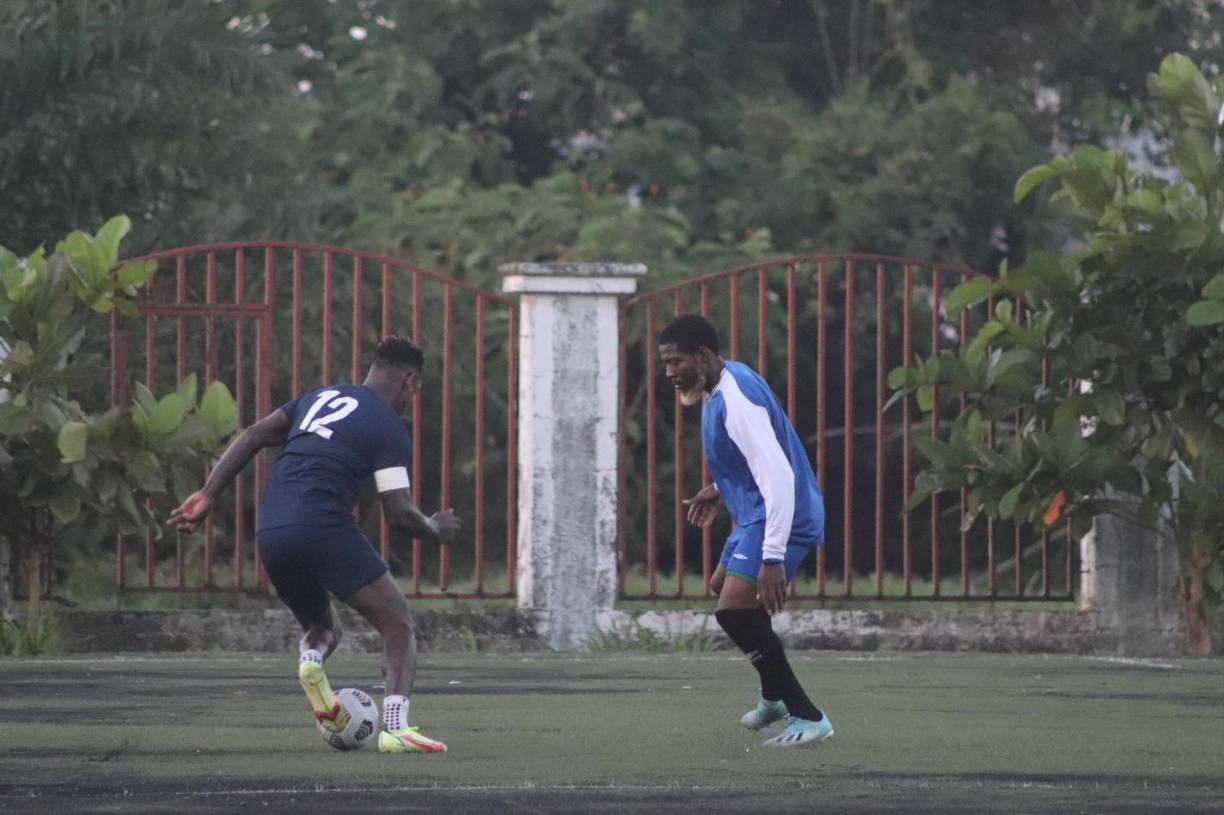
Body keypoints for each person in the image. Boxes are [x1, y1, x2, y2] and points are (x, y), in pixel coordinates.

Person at [169, 336, 459, 754]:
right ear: (409, 380)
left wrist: (208, 493)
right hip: (323, 526)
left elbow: (252, 435)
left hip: (271, 530)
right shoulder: (387, 425)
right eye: (416, 391)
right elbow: (399, 513)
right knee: (397, 625)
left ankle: (311, 663)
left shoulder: (321, 397)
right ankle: (396, 727)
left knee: (323, 627)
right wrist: (436, 529)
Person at [658, 314, 833, 748]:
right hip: (757, 511)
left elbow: (778, 477)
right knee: (722, 587)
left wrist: (773, 557)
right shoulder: (724, 380)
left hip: (782, 515)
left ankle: (808, 717)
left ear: (702, 356)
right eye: (665, 364)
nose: (670, 373)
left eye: (676, 362)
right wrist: (720, 488)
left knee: (733, 611)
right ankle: (773, 695)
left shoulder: (736, 401)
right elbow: (758, 457)